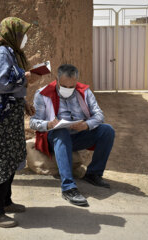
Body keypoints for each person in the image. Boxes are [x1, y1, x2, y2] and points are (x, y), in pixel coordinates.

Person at [0, 17, 38, 228]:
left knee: (9, 157)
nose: (24, 38)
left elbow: (10, 88)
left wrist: (24, 103)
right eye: (21, 34)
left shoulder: (12, 53)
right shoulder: (1, 53)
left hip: (6, 116)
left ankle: (5, 202)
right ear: (11, 34)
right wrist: (26, 76)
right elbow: (1, 84)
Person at [30, 64, 115, 206]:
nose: (68, 90)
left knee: (107, 130)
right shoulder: (42, 94)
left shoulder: (84, 91)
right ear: (57, 80)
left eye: (72, 87)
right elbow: (33, 122)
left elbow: (99, 115)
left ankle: (93, 173)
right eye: (64, 86)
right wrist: (49, 124)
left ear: (76, 82)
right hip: (54, 138)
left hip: (78, 135)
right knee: (61, 132)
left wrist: (86, 125)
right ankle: (68, 187)